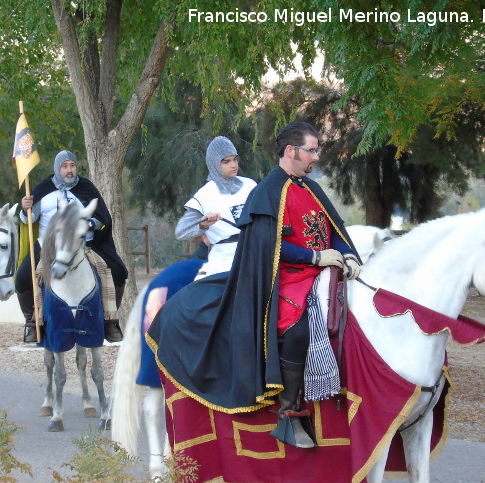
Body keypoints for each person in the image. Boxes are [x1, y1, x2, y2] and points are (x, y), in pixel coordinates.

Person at [147, 121, 361, 449]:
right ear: (292, 151)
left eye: (317, 150)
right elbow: (269, 245)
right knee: (297, 327)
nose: (316, 156)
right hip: (283, 274)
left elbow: (333, 227)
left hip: (319, 269)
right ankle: (289, 413)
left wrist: (347, 255)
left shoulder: (309, 188)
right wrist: (317, 258)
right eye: (312, 150)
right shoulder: (267, 192)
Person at [16, 150, 128, 343]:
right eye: (65, 166)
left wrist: (90, 224)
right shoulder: (43, 189)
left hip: (85, 245)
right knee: (23, 277)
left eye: (72, 165)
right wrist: (25, 207)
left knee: (118, 271)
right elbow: (29, 219)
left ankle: (109, 321)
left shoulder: (86, 188)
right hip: (48, 245)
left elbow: (103, 218)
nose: (69, 170)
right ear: (57, 169)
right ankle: (33, 323)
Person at [174, 136, 257, 280]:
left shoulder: (250, 186)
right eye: (226, 161)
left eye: (234, 159)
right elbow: (181, 232)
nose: (233, 165)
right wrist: (202, 223)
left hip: (254, 254)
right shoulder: (205, 195)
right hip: (223, 260)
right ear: (214, 164)